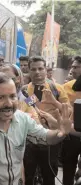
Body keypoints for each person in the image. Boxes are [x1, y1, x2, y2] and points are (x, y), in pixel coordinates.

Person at [24, 56, 71, 185]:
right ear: (29, 71)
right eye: (33, 69)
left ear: (46, 70)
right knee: (29, 174)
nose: (37, 72)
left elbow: (69, 111)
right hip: (30, 140)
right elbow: (27, 108)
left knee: (49, 174)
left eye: (40, 68)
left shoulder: (57, 88)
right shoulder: (25, 90)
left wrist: (54, 102)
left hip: (52, 138)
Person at [62, 56, 81, 185]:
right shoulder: (66, 87)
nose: (72, 70)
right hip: (72, 135)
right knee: (68, 168)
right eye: (72, 67)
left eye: (76, 67)